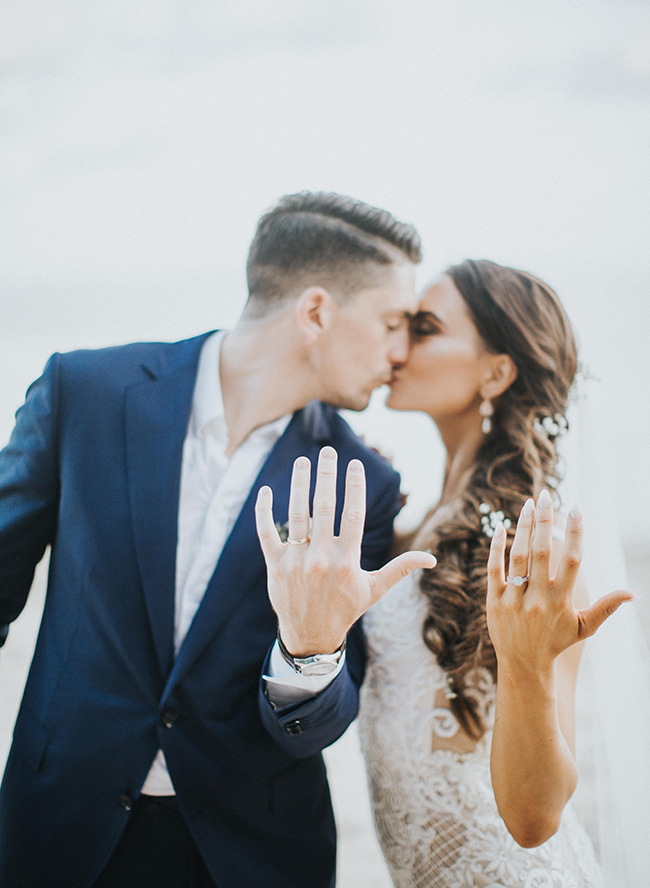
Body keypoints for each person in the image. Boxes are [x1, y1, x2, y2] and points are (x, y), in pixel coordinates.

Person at [0, 191, 435, 888]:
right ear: (316, 312)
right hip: (60, 830)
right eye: (391, 322)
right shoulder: (83, 391)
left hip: (248, 857)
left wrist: (309, 648)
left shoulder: (363, 482)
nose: (400, 352)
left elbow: (322, 723)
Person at [255, 259, 632, 888]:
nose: (398, 347)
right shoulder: (420, 524)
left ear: (496, 372)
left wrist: (525, 662)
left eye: (425, 328)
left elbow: (536, 819)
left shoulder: (525, 545)